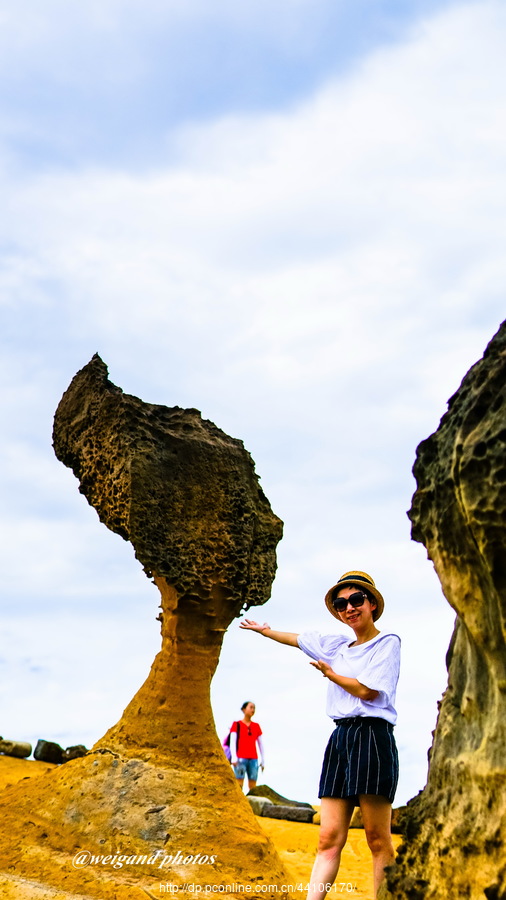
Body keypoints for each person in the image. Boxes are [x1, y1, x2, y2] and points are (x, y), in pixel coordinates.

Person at [240, 570, 400, 900]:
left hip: (372, 736)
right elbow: (299, 640)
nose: (349, 608)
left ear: (371, 604)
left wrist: (331, 674)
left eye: (357, 600)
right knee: (328, 837)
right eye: (342, 603)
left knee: (377, 839)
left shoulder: (387, 643)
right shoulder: (336, 645)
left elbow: (369, 692)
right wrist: (265, 631)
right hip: (340, 739)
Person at [229, 701, 265, 791]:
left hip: (253, 758)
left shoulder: (256, 726)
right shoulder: (237, 724)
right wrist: (234, 757)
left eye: (254, 708)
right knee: (239, 783)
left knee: (253, 784)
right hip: (240, 758)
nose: (253, 710)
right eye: (251, 707)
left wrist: (263, 760)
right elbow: (232, 741)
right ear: (244, 709)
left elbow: (261, 744)